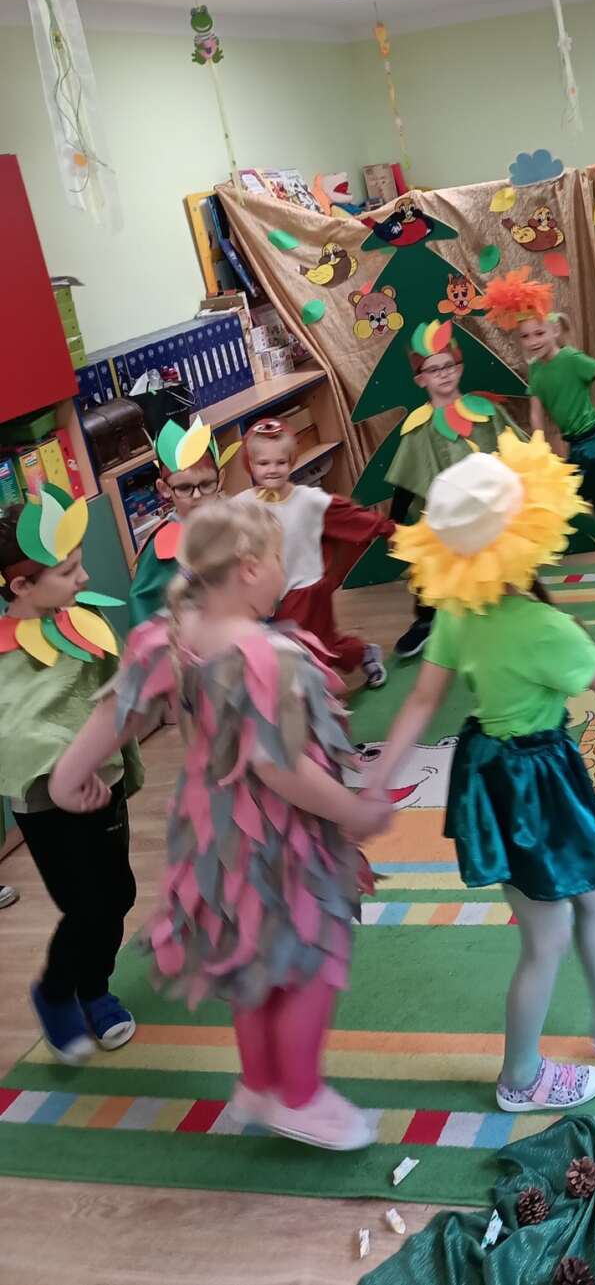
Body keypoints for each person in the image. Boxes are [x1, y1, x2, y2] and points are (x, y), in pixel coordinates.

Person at [367, 429, 595, 1110]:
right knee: (545, 936)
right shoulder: (543, 626)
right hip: (532, 780)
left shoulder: (457, 611)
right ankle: (520, 1076)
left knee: (593, 891)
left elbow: (421, 701)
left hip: (493, 771)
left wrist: (378, 780)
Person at [49, 500, 392, 1149]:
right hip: (280, 839)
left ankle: (260, 1083)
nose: (286, 573)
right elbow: (278, 766)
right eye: (280, 560)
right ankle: (299, 1097)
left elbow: (118, 712)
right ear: (250, 568)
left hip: (213, 837)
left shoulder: (170, 635)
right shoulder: (262, 653)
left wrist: (68, 777)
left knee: (252, 958)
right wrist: (353, 811)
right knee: (311, 959)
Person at [0, 494, 138, 1064]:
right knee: (85, 906)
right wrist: (63, 769)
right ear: (21, 585)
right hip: (45, 801)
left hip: (102, 785)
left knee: (119, 893)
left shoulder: (84, 619)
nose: (84, 577)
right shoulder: (5, 653)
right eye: (68, 570)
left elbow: (115, 690)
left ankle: (93, 985)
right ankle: (59, 992)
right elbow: (14, 729)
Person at [479, 268, 595, 599]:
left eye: (539, 333)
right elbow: (536, 415)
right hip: (579, 447)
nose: (533, 341)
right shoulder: (536, 371)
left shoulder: (571, 359)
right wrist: (538, 455)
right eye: (525, 336)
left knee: (568, 511)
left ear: (553, 330)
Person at [385, 319, 526, 659]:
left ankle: (516, 614)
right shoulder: (419, 427)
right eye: (434, 370)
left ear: (459, 368)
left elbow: (517, 451)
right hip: (442, 517)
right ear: (421, 379)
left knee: (498, 564)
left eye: (448, 366)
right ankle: (425, 620)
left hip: (490, 510)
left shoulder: (484, 412)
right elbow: (406, 477)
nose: (444, 374)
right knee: (431, 566)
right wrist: (394, 523)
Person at [236, 418, 394, 687]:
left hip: (306, 589)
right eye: (263, 463)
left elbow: (351, 517)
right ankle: (360, 653)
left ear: (291, 462)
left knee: (310, 649)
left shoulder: (309, 500)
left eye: (280, 462)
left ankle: (321, 699)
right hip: (268, 595)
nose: (272, 470)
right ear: (250, 464)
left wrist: (389, 529)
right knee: (312, 645)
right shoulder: (242, 503)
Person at [128, 415, 233, 628]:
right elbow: (144, 614)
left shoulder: (235, 523)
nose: (197, 496)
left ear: (220, 479)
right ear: (164, 489)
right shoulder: (162, 546)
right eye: (184, 488)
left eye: (206, 484)